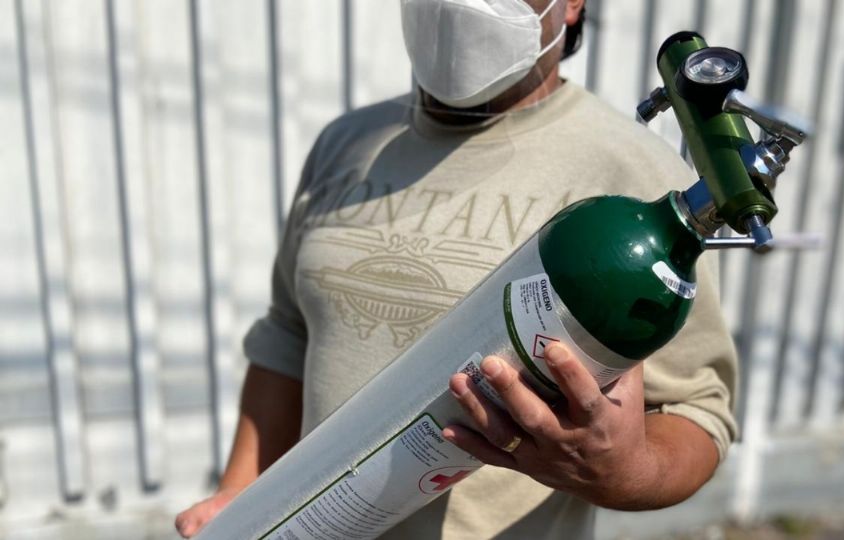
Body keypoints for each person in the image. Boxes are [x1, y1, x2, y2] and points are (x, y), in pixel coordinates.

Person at [175, 0, 737, 538]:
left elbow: (698, 413)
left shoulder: (631, 174)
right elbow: (287, 336)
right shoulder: (347, 145)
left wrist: (626, 470)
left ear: (571, 3)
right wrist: (238, 497)